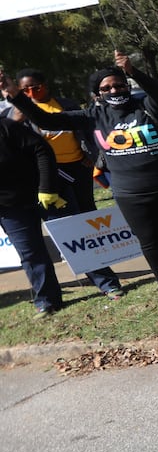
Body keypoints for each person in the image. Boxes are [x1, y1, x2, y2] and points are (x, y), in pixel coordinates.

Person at [0, 52, 158, 305]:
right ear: (98, 94)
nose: (114, 90)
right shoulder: (92, 116)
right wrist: (14, 95)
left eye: (119, 85)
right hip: (133, 196)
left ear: (127, 86)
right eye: (107, 88)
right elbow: (44, 119)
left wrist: (134, 71)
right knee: (153, 244)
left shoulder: (147, 106)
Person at [14, 69, 124, 299]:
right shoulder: (19, 114)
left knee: (88, 219)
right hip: (50, 177)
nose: (32, 92)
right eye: (26, 90)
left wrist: (89, 157)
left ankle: (101, 272)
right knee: (73, 228)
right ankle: (106, 282)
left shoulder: (65, 103)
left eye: (36, 87)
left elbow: (87, 130)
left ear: (46, 84)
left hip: (79, 169)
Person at [0, 112, 66, 315]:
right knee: (30, 252)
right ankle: (47, 299)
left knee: (74, 238)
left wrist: (47, 187)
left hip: (41, 194)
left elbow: (41, 149)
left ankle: (106, 283)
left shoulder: (7, 127)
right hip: (9, 209)